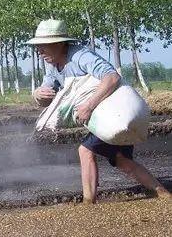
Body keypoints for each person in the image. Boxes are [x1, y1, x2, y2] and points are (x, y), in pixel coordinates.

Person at [27, 19, 171, 204]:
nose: (40, 51)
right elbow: (45, 97)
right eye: (38, 46)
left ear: (60, 43)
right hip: (107, 118)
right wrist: (38, 94)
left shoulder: (81, 56)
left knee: (85, 150)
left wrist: (88, 105)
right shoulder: (53, 66)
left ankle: (89, 203)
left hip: (112, 110)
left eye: (44, 46)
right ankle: (163, 194)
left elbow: (111, 77)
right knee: (122, 161)